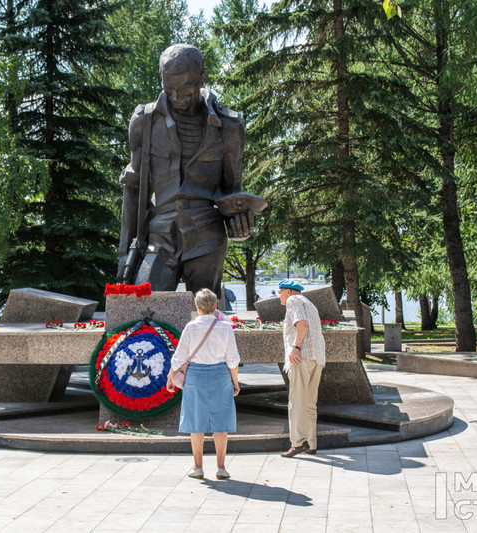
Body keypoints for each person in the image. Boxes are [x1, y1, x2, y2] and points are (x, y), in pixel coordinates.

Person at [116, 44, 266, 294]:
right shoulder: (144, 121)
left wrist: (241, 222)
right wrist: (124, 255)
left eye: (184, 90)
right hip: (159, 239)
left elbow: (232, 192)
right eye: (169, 89)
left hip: (206, 238)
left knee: (207, 320)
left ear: (202, 79)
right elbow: (134, 190)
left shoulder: (229, 126)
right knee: (143, 313)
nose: (176, 98)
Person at [166, 288, 240, 479]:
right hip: (220, 374)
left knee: (196, 423)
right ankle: (221, 467)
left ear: (197, 308)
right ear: (215, 307)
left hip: (196, 376)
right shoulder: (225, 328)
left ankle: (198, 467)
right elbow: (233, 359)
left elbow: (179, 357)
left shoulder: (191, 327)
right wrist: (235, 382)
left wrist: (170, 377)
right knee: (221, 422)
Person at [277, 279, 326, 457]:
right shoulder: (309, 303)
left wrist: (295, 347)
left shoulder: (293, 301)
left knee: (296, 401)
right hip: (317, 357)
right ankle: (311, 443)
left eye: (280, 292)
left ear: (289, 292)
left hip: (301, 357)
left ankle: (298, 443)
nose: (278, 296)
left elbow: (302, 323)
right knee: (309, 403)